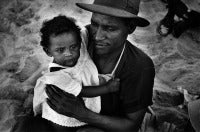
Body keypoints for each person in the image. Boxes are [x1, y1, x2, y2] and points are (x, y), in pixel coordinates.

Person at [13, 0, 155, 132]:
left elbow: (131, 125)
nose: (98, 36)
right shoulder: (79, 41)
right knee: (24, 126)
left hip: (104, 124)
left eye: (109, 28)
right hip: (66, 120)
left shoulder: (140, 67)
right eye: (94, 24)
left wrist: (82, 114)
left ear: (130, 27)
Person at [14, 15, 120, 132]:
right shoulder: (56, 76)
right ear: (48, 51)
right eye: (60, 50)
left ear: (79, 42)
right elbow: (82, 91)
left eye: (73, 47)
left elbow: (85, 31)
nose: (68, 53)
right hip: (62, 122)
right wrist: (107, 88)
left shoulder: (80, 46)